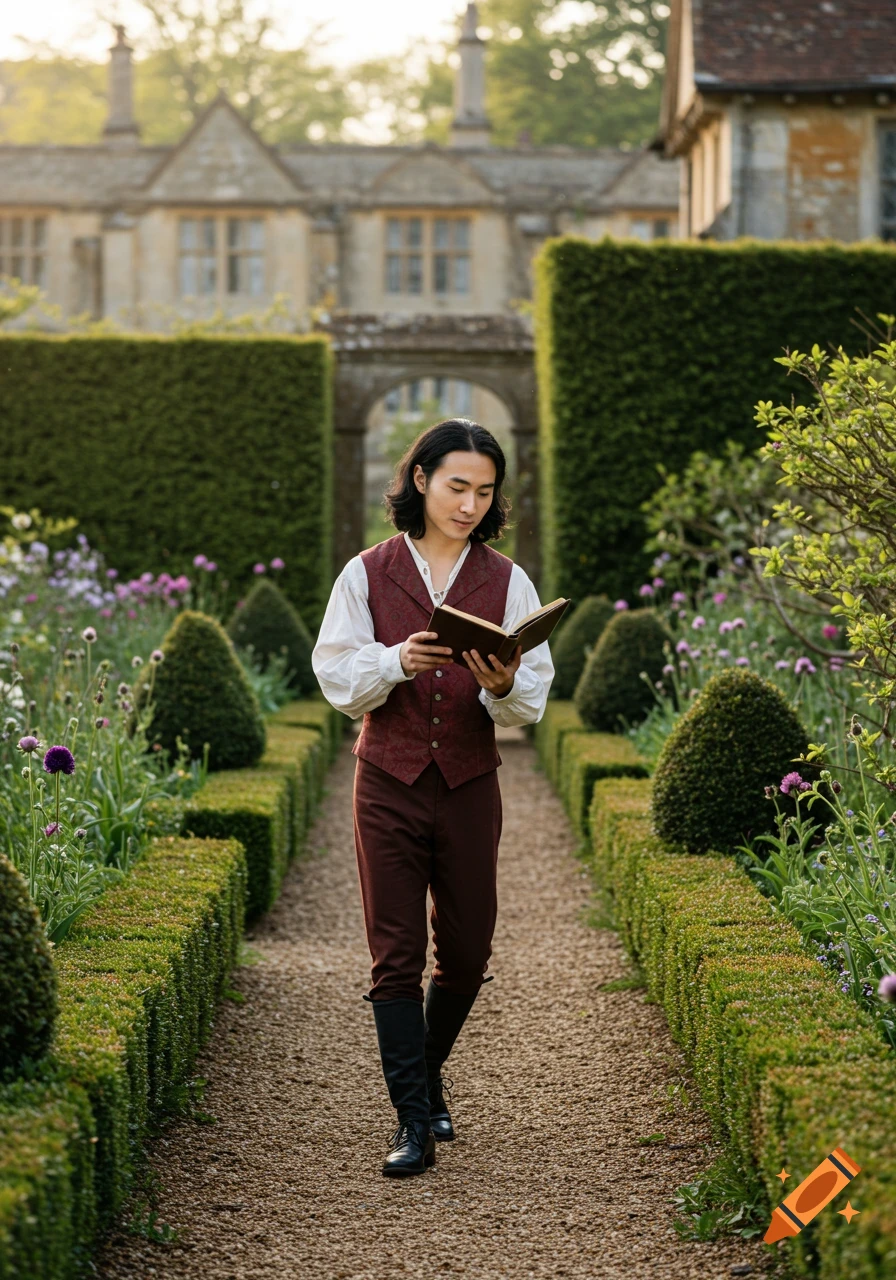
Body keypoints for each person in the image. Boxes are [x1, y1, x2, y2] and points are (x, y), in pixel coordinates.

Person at [312, 418, 554, 1177]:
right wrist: (395, 660)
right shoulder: (367, 572)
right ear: (420, 480)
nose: (470, 504)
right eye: (457, 486)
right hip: (386, 781)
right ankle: (413, 1121)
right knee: (395, 958)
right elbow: (337, 677)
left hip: (469, 785)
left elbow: (533, 698)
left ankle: (428, 1069)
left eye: (484, 491)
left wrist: (504, 685)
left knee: (469, 949)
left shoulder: (510, 580)